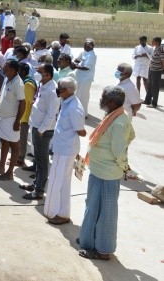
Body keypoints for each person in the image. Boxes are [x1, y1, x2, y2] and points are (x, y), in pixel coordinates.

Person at [78, 86, 134, 261]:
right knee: (92, 206)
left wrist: (124, 167)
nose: (100, 99)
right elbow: (131, 135)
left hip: (109, 174)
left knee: (106, 212)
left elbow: (119, 149)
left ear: (111, 102)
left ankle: (103, 250)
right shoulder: (113, 115)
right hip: (98, 170)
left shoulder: (119, 121)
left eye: (103, 97)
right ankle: (88, 240)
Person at [43, 77, 86, 225]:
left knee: (56, 181)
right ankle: (63, 213)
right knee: (62, 182)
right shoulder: (67, 102)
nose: (57, 92)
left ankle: (53, 212)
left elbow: (81, 131)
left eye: (59, 89)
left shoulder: (74, 108)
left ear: (67, 91)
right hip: (62, 148)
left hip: (66, 150)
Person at [21, 64, 58, 200]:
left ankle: (39, 191)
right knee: (37, 159)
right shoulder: (44, 85)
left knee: (42, 162)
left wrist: (41, 130)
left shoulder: (52, 91)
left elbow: (51, 114)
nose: (36, 74)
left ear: (47, 74)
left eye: (40, 72)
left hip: (43, 130)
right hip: (37, 126)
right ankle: (35, 184)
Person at [0, 59, 26, 181]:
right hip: (3, 118)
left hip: (12, 120)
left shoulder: (18, 83)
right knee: (4, 142)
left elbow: (22, 104)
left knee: (14, 146)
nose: (3, 69)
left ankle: (9, 172)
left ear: (13, 70)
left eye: (6, 67)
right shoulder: (8, 79)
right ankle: (1, 167)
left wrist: (17, 121)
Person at [17, 62, 37, 167]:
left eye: (18, 70)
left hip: (24, 115)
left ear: (23, 72)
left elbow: (28, 101)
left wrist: (22, 116)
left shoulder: (28, 84)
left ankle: (20, 159)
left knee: (22, 137)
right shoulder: (23, 81)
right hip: (21, 114)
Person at [73, 38, 97, 116]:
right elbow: (78, 59)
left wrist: (75, 67)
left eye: (87, 45)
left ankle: (83, 114)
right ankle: (76, 111)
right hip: (79, 76)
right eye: (84, 44)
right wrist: (74, 61)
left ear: (92, 46)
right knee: (77, 94)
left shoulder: (92, 55)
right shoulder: (83, 52)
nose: (84, 46)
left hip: (86, 79)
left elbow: (86, 68)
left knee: (83, 96)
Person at [144, 36, 164, 108]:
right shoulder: (155, 48)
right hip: (152, 69)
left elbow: (163, 61)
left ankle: (154, 103)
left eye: (153, 41)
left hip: (156, 71)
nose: (152, 42)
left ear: (157, 42)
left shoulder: (161, 49)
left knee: (155, 87)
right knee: (150, 85)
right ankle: (147, 100)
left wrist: (160, 68)